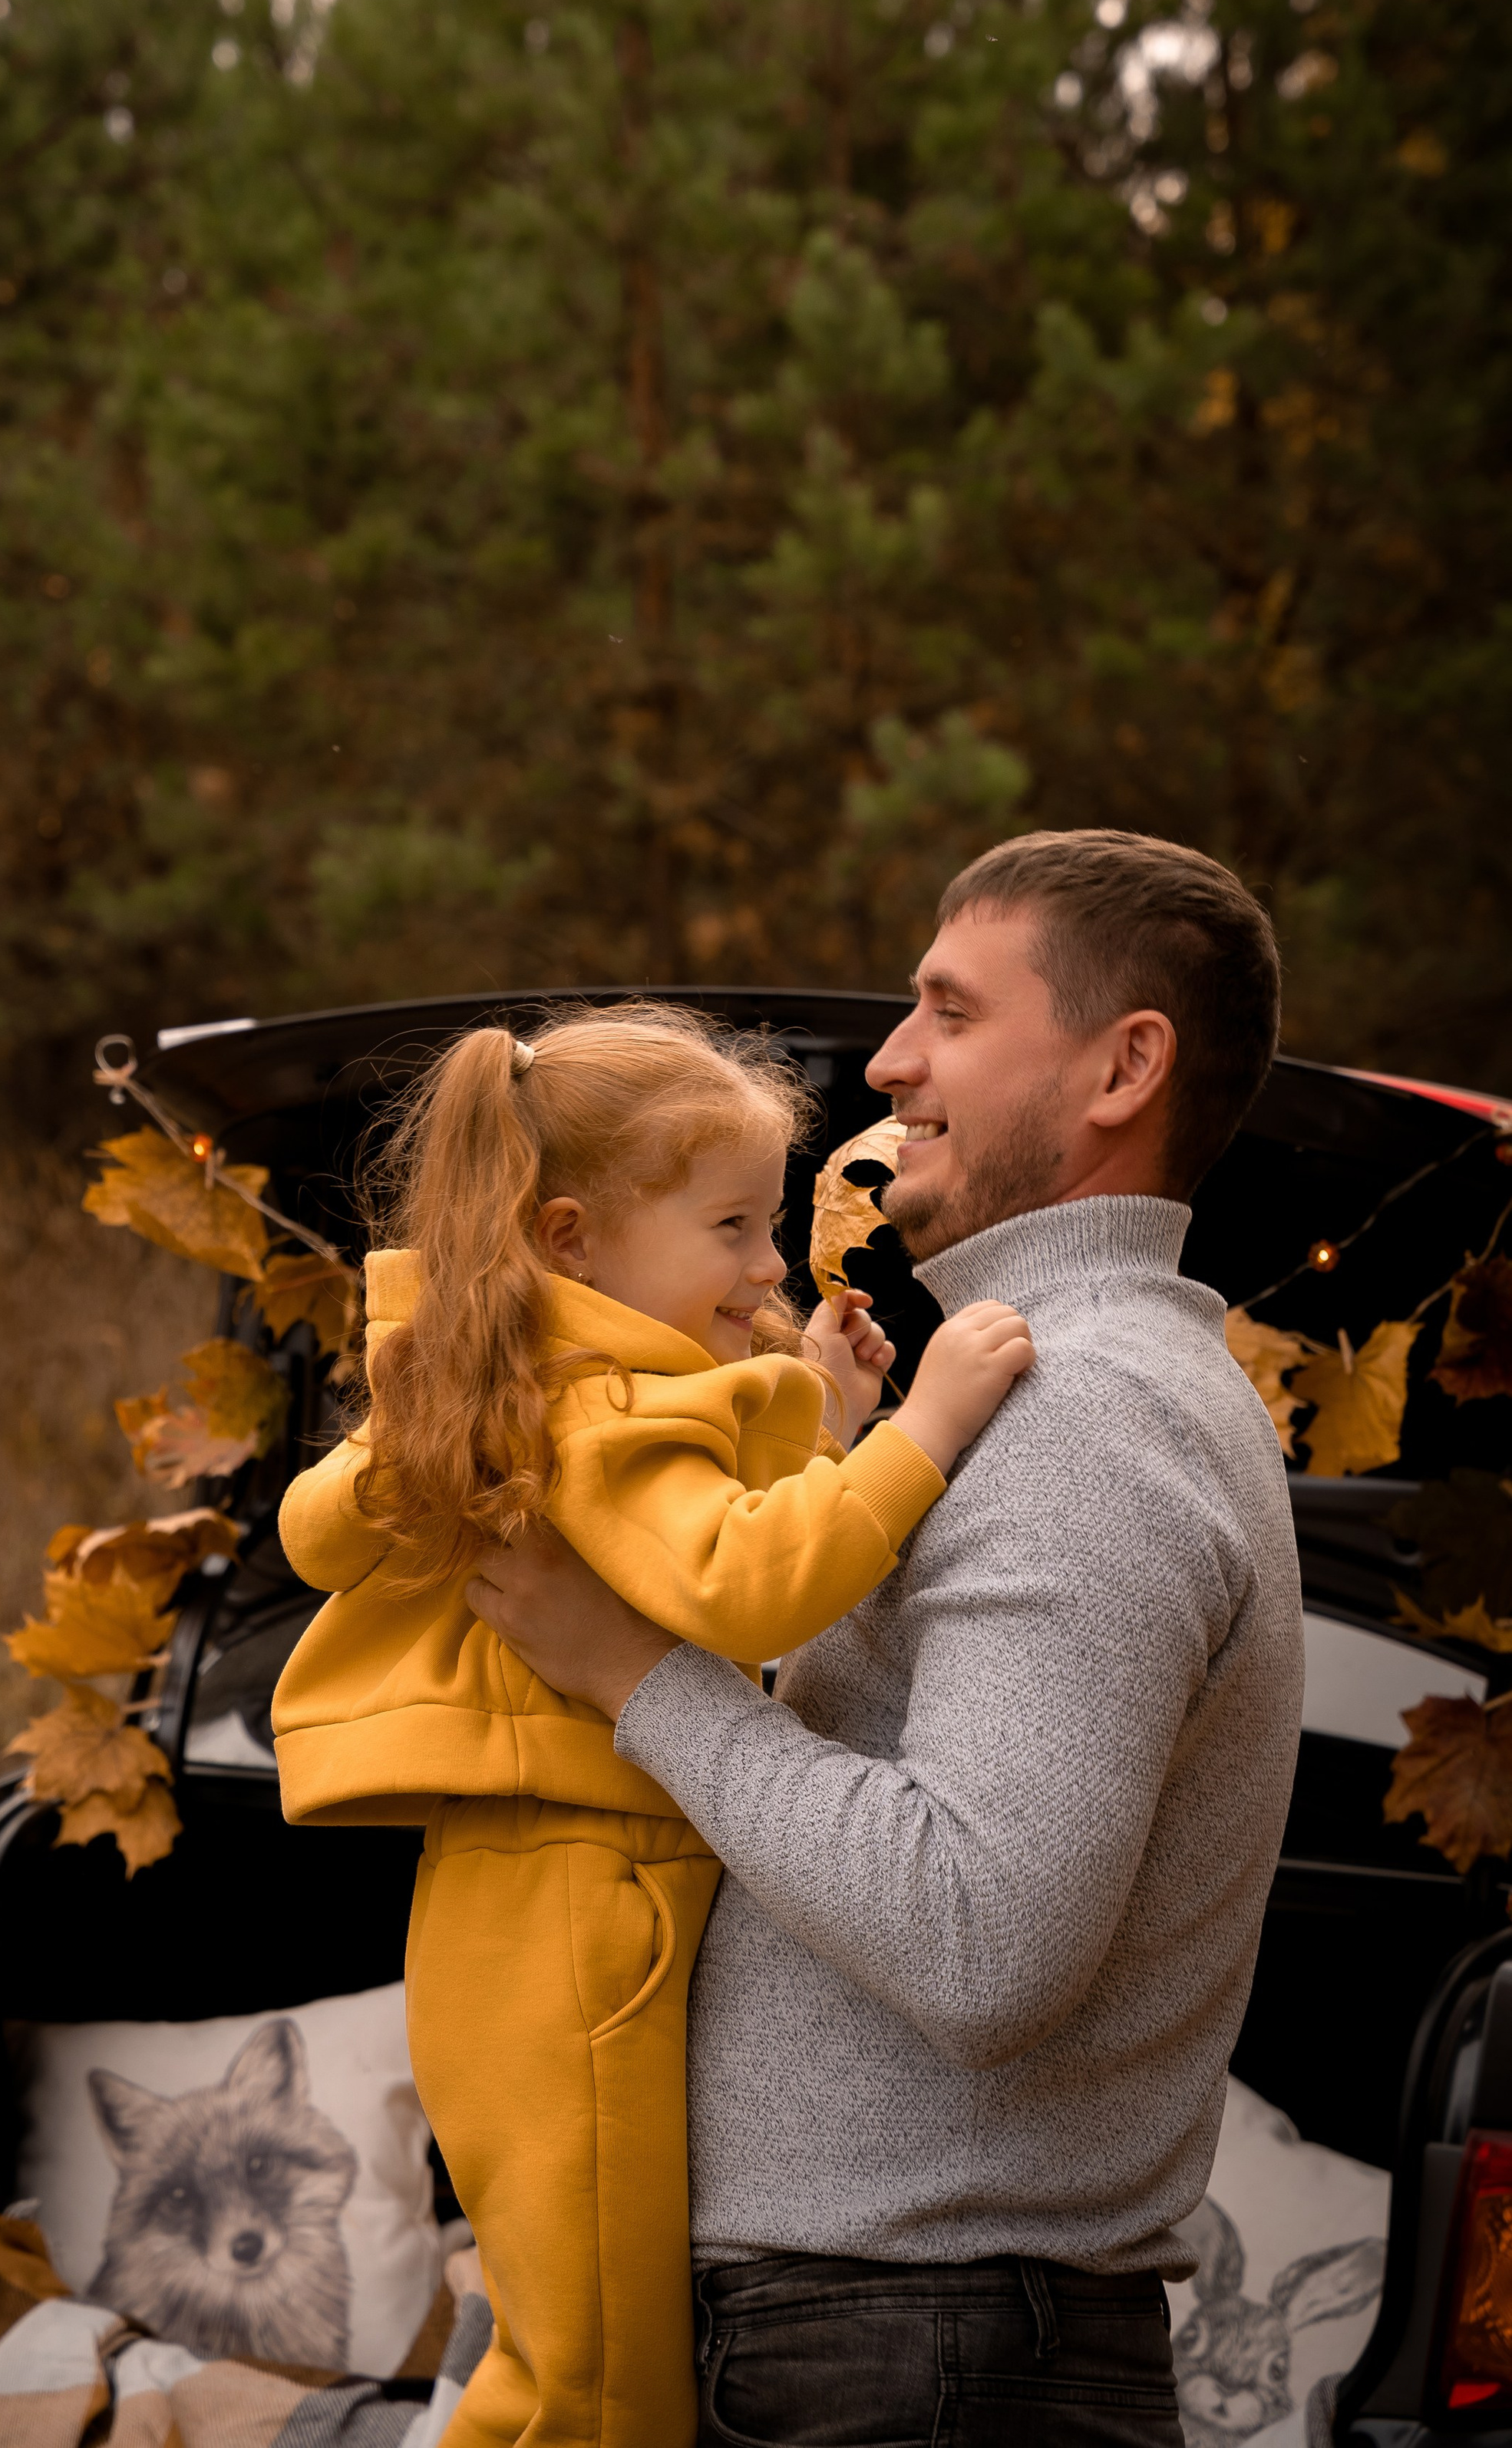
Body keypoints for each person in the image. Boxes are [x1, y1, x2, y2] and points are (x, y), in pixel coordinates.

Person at [463, 831, 1304, 2448]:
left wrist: (627, 1672)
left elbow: (977, 1941)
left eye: (948, 1012)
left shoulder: (1082, 1419)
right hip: (897, 2342)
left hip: (913, 2360)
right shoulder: (1035, 1391)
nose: (888, 1061)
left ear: (1124, 1065)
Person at [269, 1002, 1033, 2448]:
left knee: (559, 2329)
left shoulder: (515, 1384)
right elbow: (746, 1588)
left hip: (531, 1893)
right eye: (734, 1228)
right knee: (599, 2375)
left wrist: (822, 1430)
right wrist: (924, 1435)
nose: (765, 1267)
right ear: (570, 1241)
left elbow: (652, 1551)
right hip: (578, 1904)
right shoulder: (605, 1401)